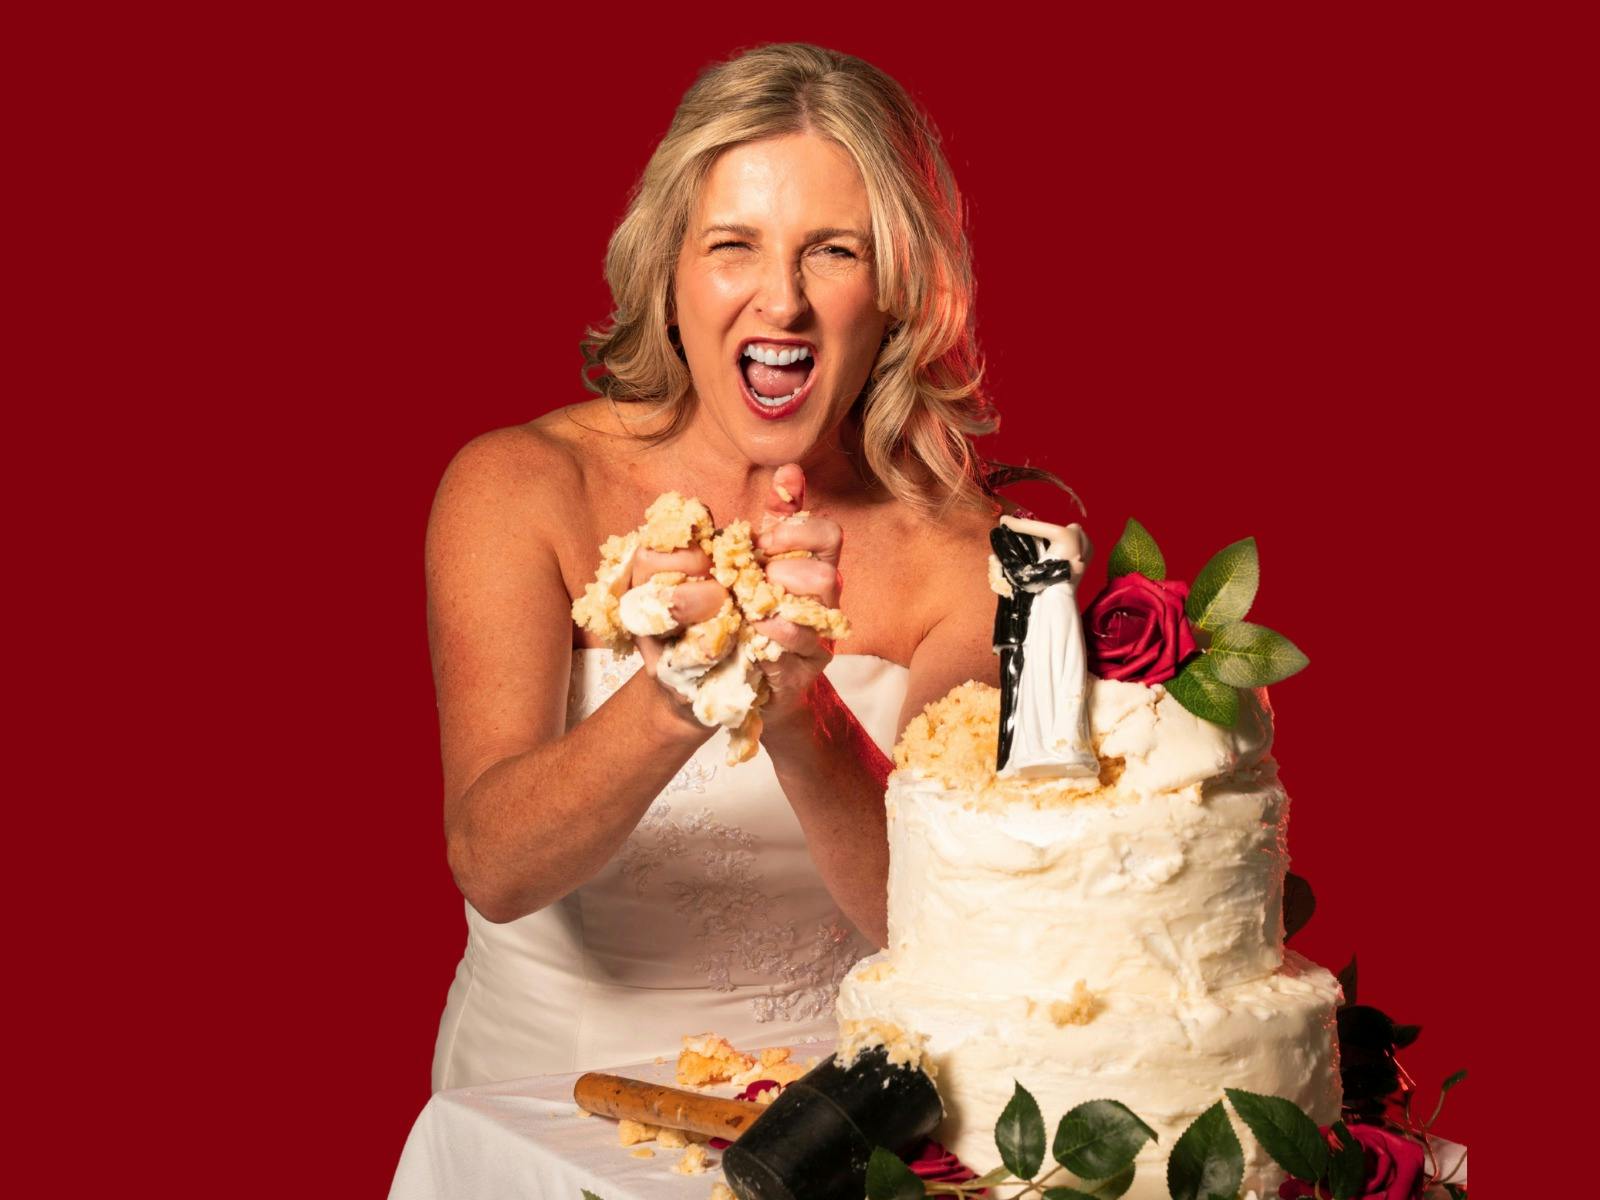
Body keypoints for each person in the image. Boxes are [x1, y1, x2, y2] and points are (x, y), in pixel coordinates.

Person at [425, 42, 1046, 1090]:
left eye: (833, 251)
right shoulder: (519, 486)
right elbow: (493, 866)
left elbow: (937, 920)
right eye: (732, 246)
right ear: (668, 273)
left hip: (840, 1123)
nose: (781, 302)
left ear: (896, 290)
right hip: (543, 1105)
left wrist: (802, 719)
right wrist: (681, 692)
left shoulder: (968, 561)